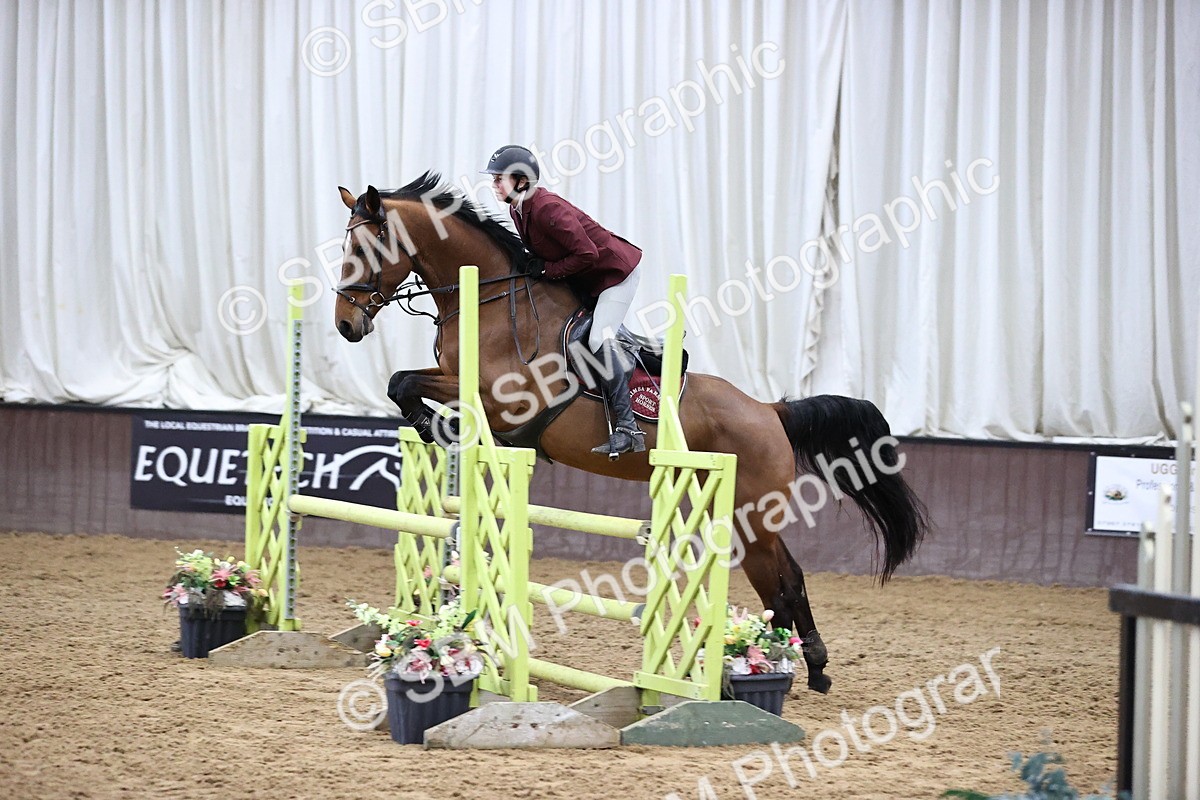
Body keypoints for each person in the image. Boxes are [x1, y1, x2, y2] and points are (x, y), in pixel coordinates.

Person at [483, 144, 645, 458]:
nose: (494, 185)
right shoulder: (517, 208)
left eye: (500, 178)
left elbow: (588, 253)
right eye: (495, 179)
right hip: (586, 276)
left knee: (599, 338)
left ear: (522, 180)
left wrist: (547, 269)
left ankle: (628, 427)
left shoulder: (546, 208)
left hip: (615, 275)